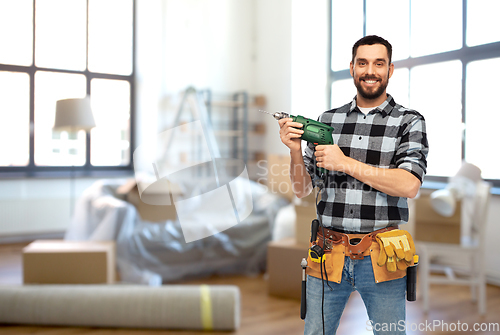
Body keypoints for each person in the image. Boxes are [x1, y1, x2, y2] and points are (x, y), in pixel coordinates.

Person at [278, 35, 429, 335]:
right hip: (327, 255)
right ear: (351, 68)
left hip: (382, 258)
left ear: (390, 70)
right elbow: (301, 189)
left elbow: (409, 185)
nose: (369, 70)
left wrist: (344, 162)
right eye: (362, 63)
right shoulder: (327, 120)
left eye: (378, 63)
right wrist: (295, 150)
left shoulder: (408, 122)